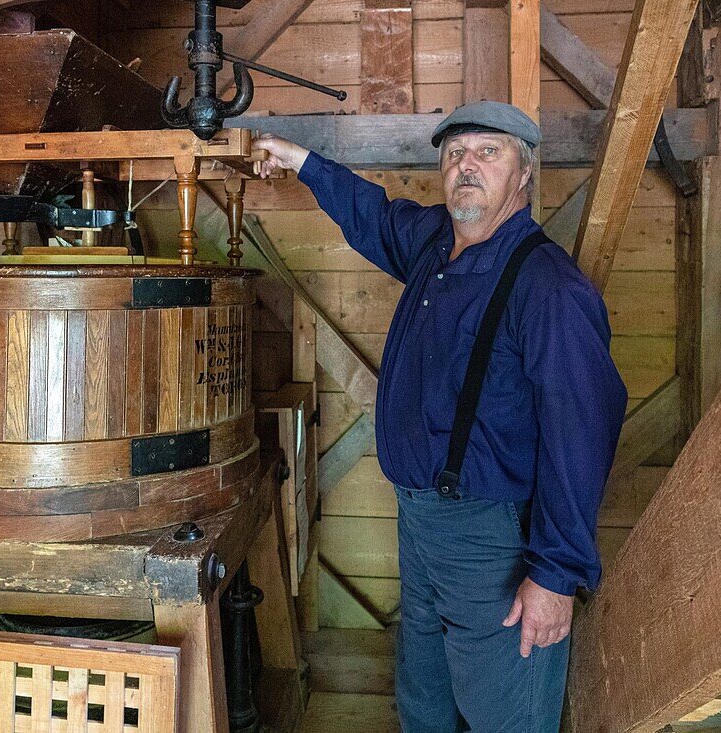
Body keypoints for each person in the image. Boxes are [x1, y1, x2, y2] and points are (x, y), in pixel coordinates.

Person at [253, 101, 627, 731]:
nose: (468, 166)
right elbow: (372, 212)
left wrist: (556, 575)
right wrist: (302, 162)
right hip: (419, 521)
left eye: (489, 152)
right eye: (456, 153)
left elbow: (580, 435)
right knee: (424, 699)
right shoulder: (434, 242)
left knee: (504, 712)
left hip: (491, 536)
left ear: (525, 173)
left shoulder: (549, 288)